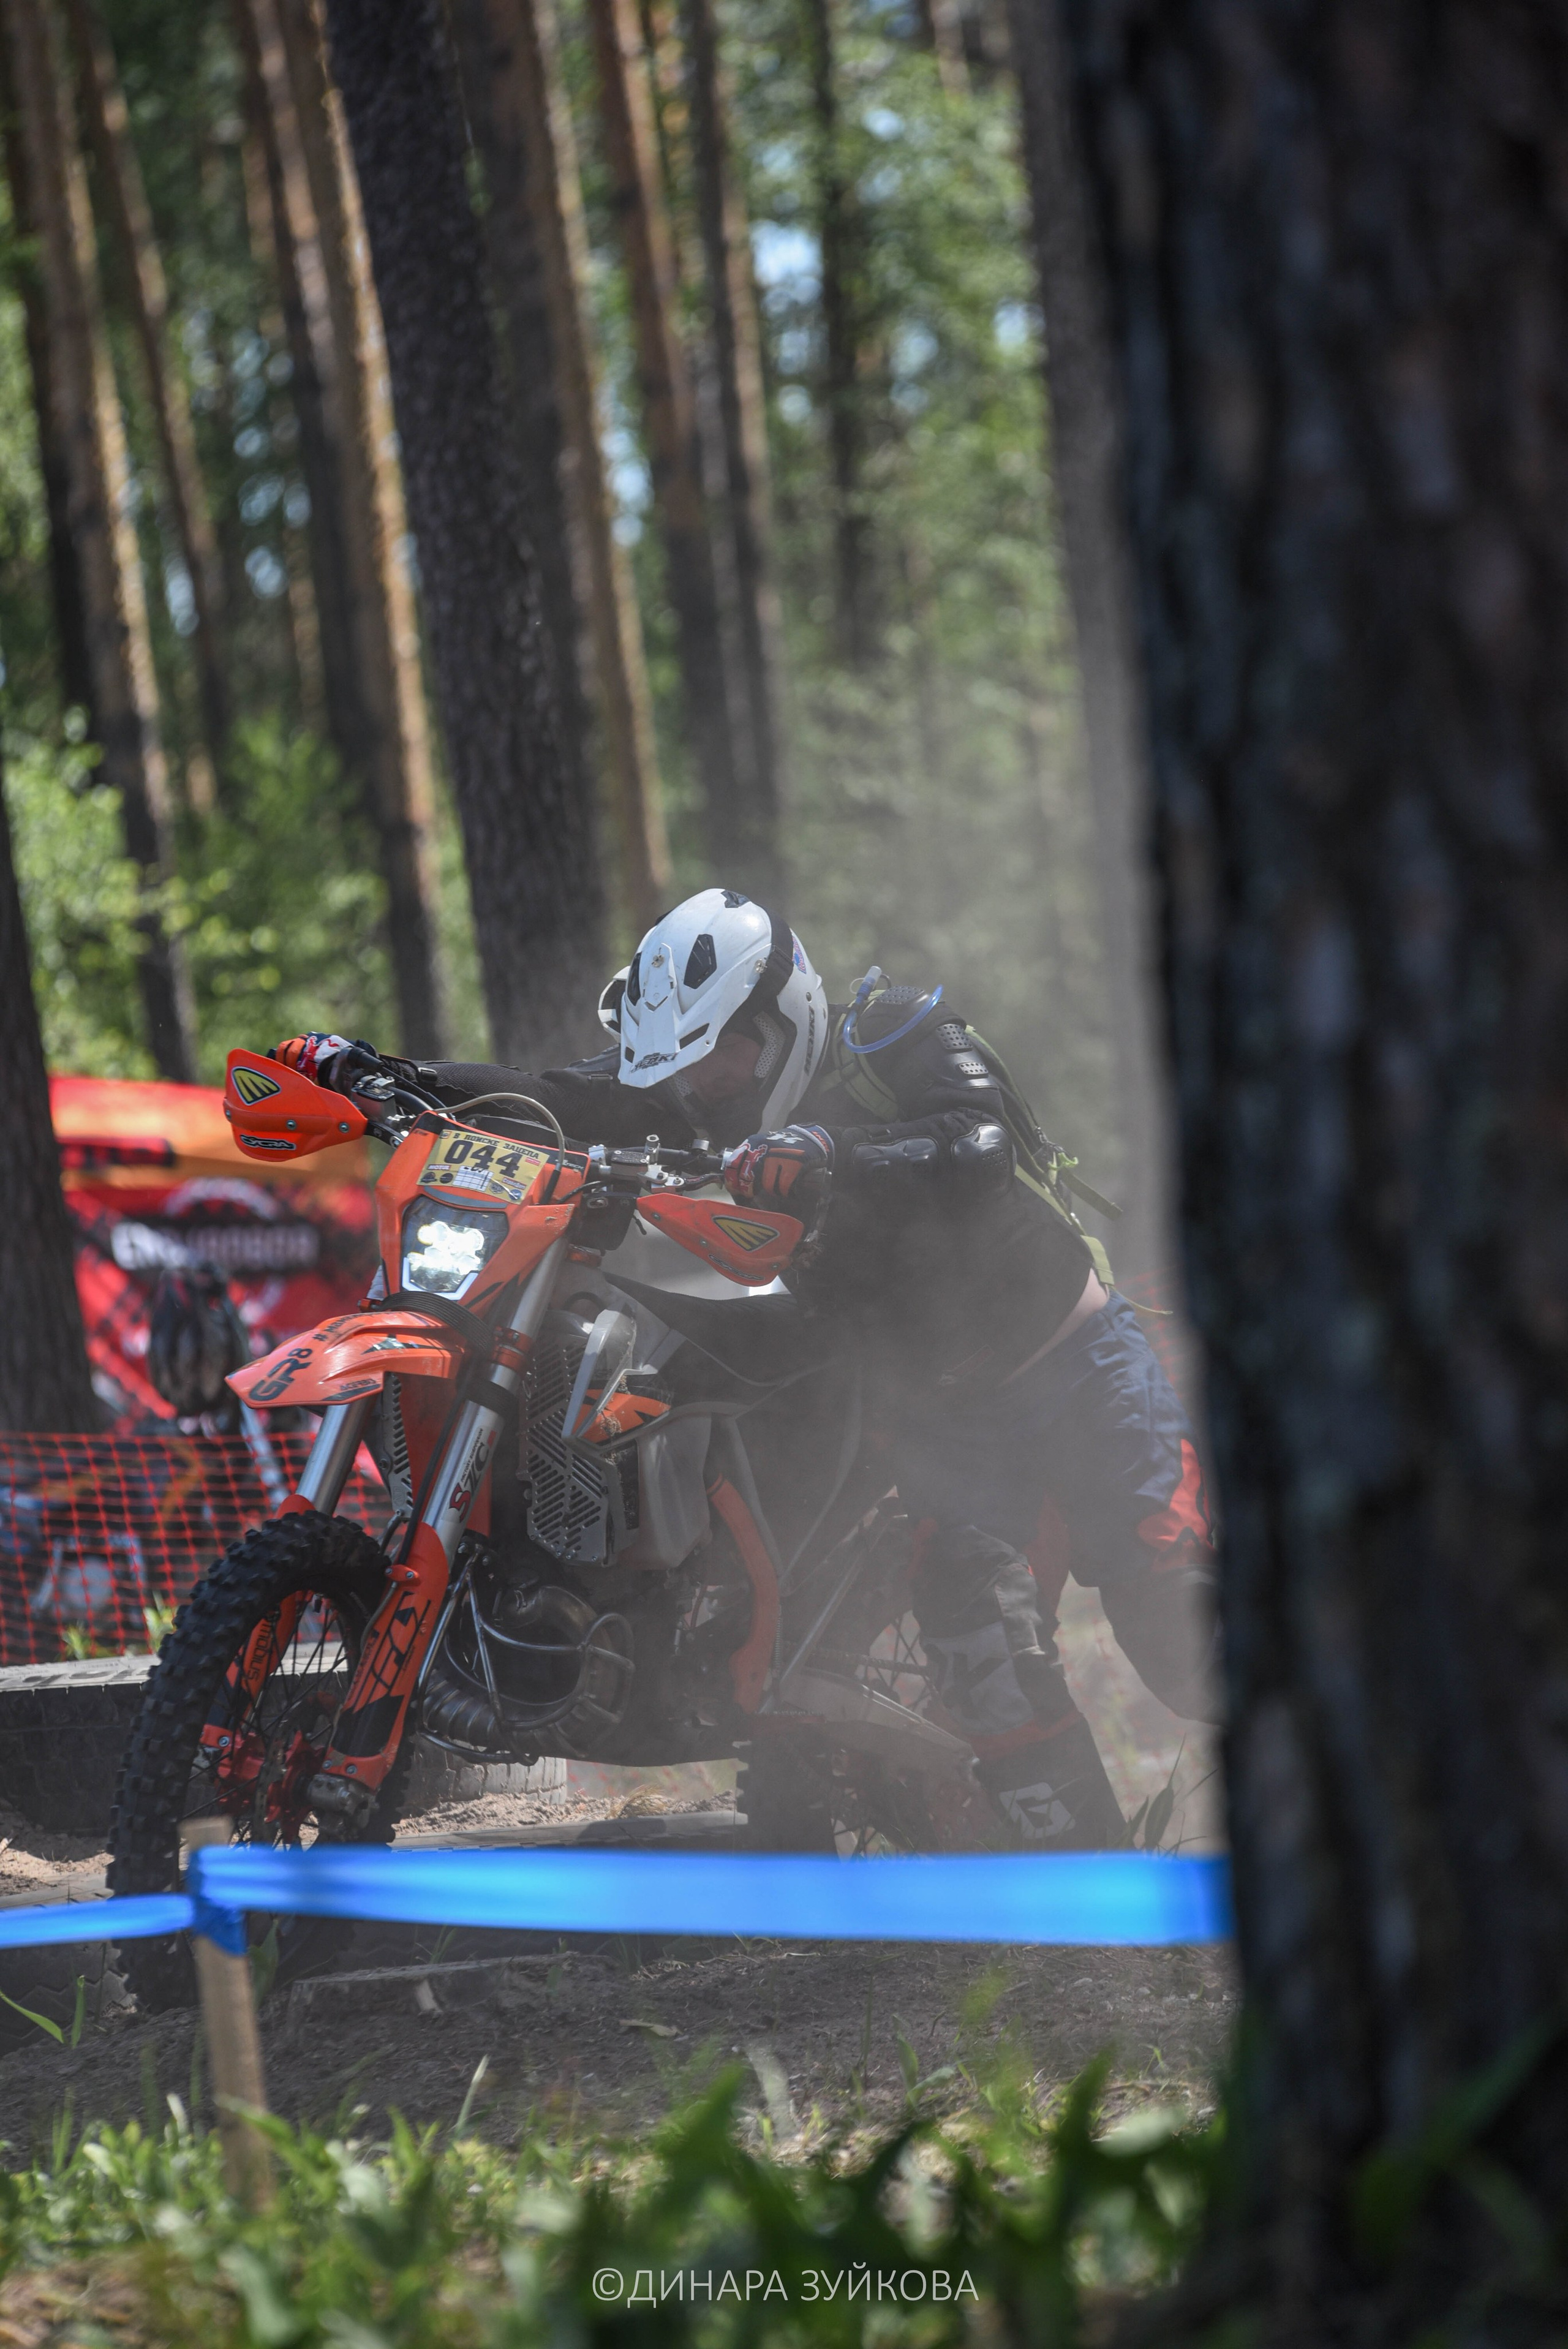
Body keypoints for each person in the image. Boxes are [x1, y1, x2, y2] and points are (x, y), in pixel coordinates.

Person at [271, 887, 1216, 1846]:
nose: (709, 1085)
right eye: (687, 1070)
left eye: (728, 1054)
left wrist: (829, 1148)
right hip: (941, 1424)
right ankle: (1100, 1904)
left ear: (786, 1016)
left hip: (1074, 1368)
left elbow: (975, 1142)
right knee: (979, 1651)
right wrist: (380, 1071)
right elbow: (545, 1095)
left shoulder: (890, 1037)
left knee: (1177, 1629)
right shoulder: (686, 1086)